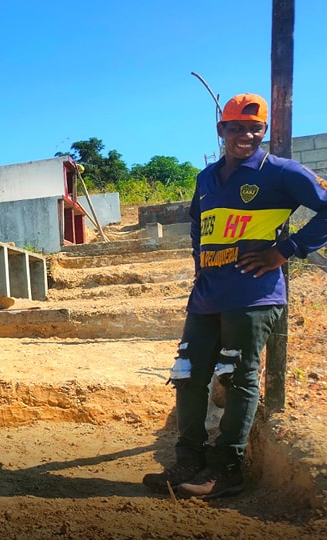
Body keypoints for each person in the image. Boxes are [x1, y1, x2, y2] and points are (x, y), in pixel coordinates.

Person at [142, 93, 327, 499]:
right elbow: (198, 224)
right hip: (207, 295)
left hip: (253, 294)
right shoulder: (205, 178)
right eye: (236, 128)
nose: (246, 135)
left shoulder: (280, 171)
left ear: (264, 131)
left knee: (237, 377)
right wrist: (199, 264)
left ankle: (226, 469)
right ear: (221, 130)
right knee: (188, 374)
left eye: (255, 128)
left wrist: (286, 250)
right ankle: (188, 461)